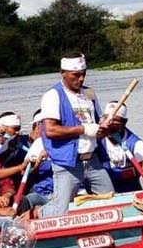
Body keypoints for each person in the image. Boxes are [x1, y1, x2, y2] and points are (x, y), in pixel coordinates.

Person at [38, 53, 114, 217]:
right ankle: (38, 213)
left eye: (84, 74)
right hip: (67, 164)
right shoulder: (53, 95)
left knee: (110, 201)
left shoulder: (89, 93)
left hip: (93, 161)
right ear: (63, 72)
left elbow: (97, 122)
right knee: (61, 212)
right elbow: (51, 130)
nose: (81, 79)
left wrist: (104, 126)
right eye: (76, 75)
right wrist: (85, 129)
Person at [96, 102, 143, 202]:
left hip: (130, 190)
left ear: (124, 123)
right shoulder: (95, 139)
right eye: (106, 119)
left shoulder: (136, 143)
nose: (109, 124)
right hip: (105, 192)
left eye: (115, 120)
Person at [23, 110, 54, 209]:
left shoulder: (69, 140)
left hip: (71, 191)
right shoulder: (39, 143)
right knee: (28, 200)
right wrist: (39, 161)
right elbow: (25, 172)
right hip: (44, 193)